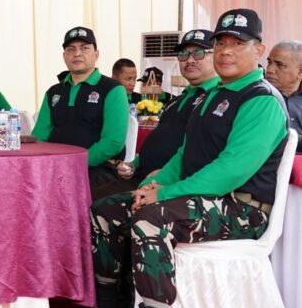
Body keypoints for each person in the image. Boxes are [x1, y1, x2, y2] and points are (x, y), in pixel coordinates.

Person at [51, 9, 288, 308]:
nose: (226, 52)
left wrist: (165, 195)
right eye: (220, 43)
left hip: (241, 209)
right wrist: (154, 186)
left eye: (238, 44)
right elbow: (185, 155)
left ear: (259, 50)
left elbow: (230, 171)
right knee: (106, 209)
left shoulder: (260, 100)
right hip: (201, 199)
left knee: (150, 220)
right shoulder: (213, 95)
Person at [92, 29, 219, 199]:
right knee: (86, 200)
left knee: (95, 207)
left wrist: (166, 175)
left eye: (198, 53)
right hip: (139, 177)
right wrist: (134, 165)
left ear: (217, 55)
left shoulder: (217, 99)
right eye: (183, 54)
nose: (189, 60)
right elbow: (160, 139)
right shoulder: (176, 100)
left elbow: (203, 152)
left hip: (167, 185)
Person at [32, 26, 128, 191]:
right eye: (71, 49)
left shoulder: (112, 89)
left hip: (95, 170)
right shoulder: (54, 92)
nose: (77, 54)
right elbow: (39, 136)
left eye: (84, 48)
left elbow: (113, 142)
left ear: (96, 54)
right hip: (54, 169)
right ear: (64, 56)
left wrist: (75, 162)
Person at [266, 40, 302, 153]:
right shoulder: (259, 96)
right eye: (269, 63)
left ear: (300, 72)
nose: (270, 70)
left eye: (280, 65)